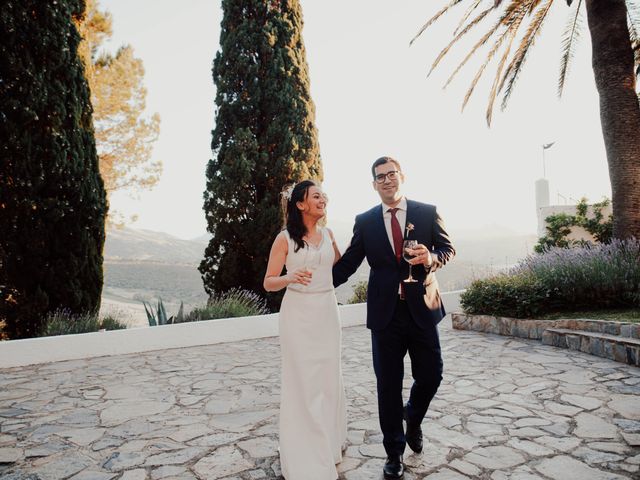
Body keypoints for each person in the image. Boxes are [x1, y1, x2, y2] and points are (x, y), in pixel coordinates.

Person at [333, 156, 455, 479]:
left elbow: (448, 249)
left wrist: (431, 258)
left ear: (402, 176)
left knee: (432, 374)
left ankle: (412, 417)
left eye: (391, 174)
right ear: (374, 185)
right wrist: (315, 283)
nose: (387, 180)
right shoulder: (366, 220)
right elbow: (348, 264)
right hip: (385, 315)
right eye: (380, 177)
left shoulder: (427, 212)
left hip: (422, 309)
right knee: (388, 385)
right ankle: (394, 453)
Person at [263, 180, 347, 480]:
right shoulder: (284, 239)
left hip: (327, 311)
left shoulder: (330, 234)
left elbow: (338, 265)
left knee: (326, 379)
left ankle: (328, 444)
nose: (323, 198)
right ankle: (303, 453)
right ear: (300, 204)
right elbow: (268, 281)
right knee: (303, 382)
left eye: (323, 194)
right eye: (316, 196)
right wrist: (290, 277)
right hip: (298, 315)